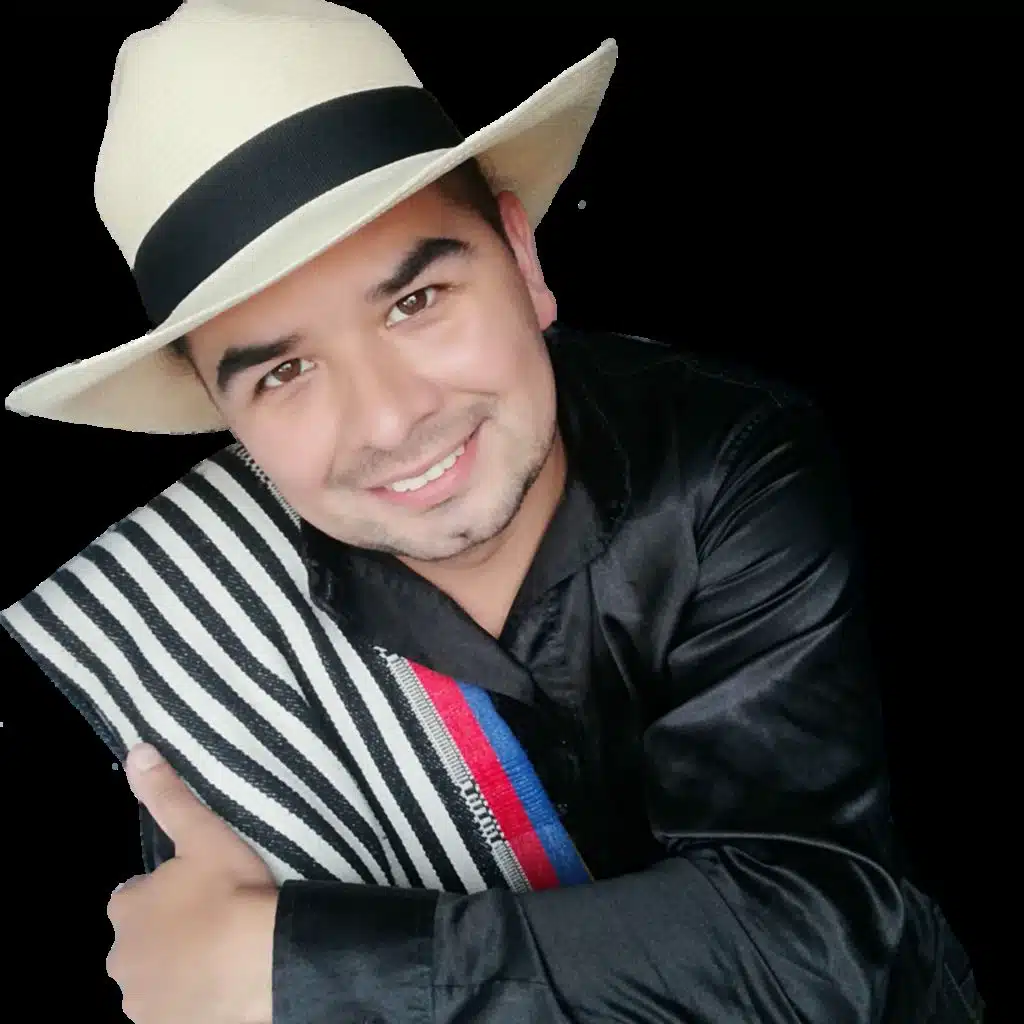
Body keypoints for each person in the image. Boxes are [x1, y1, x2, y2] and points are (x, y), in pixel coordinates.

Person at [4, 2, 983, 1022]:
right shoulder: (205, 628)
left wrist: (306, 966)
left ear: (523, 259)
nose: (389, 418)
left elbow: (815, 949)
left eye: (415, 301)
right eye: (285, 372)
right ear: (228, 419)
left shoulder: (725, 461)